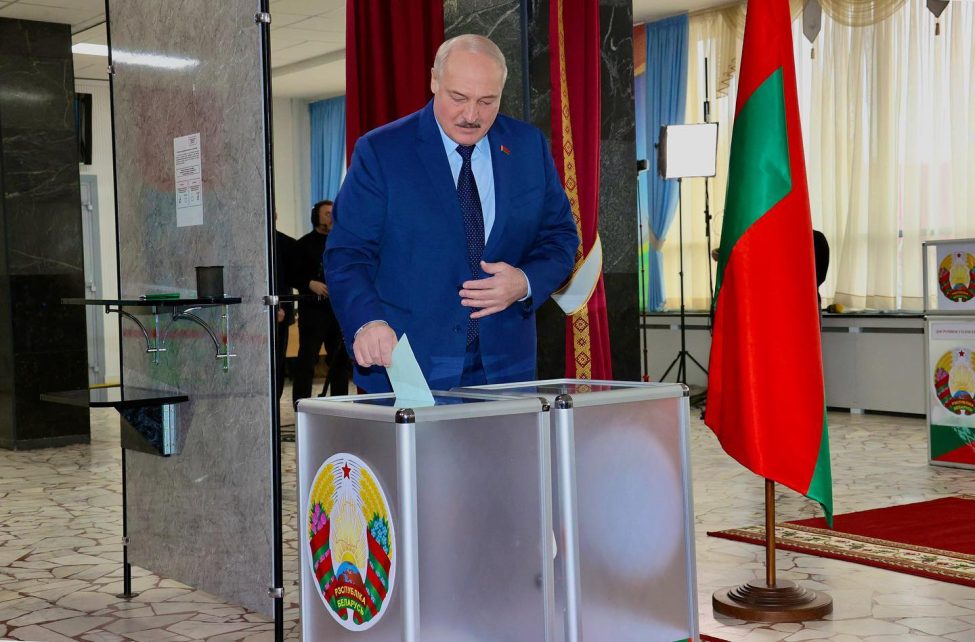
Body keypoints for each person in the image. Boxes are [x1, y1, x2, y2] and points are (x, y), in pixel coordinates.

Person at [325, 34, 579, 392]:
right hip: (407, 361)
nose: (471, 115)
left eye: (487, 101)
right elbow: (348, 255)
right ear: (434, 81)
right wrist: (367, 323)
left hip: (506, 365)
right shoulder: (382, 152)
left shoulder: (526, 147)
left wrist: (524, 281)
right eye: (458, 98)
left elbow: (561, 237)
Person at [292, 200, 350, 409]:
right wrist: (309, 283)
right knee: (307, 361)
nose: (331, 217)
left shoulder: (342, 244)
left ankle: (340, 407)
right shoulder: (303, 244)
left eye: (333, 213)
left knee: (339, 363)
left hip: (337, 311)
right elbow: (293, 275)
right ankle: (301, 406)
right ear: (316, 216)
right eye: (326, 214)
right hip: (313, 312)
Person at [273, 212, 297, 406]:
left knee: (278, 361)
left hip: (279, 311)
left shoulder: (286, 243)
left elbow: (287, 278)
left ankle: (275, 402)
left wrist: (280, 305)